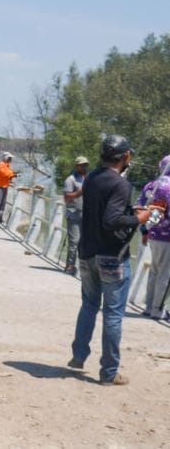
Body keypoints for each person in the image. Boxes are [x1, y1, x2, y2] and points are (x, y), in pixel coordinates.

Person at [67, 134, 156, 385]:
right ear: (125, 156)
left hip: (87, 254)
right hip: (111, 257)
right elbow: (111, 220)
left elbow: (103, 211)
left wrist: (129, 212)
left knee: (88, 305)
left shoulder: (92, 177)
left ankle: (78, 356)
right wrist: (140, 218)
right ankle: (108, 373)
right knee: (114, 314)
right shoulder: (121, 185)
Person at [137, 154, 170, 320]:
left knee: (154, 271)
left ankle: (149, 306)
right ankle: (158, 309)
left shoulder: (151, 185)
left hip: (152, 234)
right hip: (167, 237)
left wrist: (145, 229)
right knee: (165, 274)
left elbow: (140, 206)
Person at [62, 156, 89, 276]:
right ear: (77, 166)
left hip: (86, 215)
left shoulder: (88, 179)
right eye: (82, 165)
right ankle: (70, 266)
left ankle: (81, 268)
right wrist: (80, 191)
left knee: (84, 243)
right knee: (74, 242)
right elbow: (67, 197)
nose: (84, 167)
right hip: (73, 215)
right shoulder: (70, 180)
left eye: (86, 165)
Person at [0, 152, 17, 223]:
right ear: (6, 157)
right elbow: (5, 174)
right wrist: (13, 174)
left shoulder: (7, 165)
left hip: (4, 186)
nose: (10, 159)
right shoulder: (1, 164)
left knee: (3, 203)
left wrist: (14, 175)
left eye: (11, 158)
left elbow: (9, 174)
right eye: (9, 158)